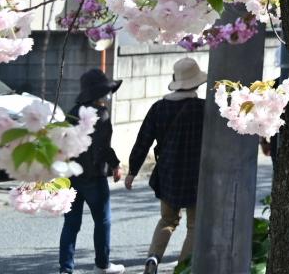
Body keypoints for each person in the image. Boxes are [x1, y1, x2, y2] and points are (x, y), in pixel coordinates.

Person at [127, 58, 207, 274]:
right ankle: (182, 268)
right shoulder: (204, 109)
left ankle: (153, 258)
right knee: (194, 226)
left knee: (167, 219)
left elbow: (143, 139)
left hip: (168, 172)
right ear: (197, 84)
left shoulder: (159, 108)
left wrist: (132, 171)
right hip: (196, 175)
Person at [60, 68, 126, 274]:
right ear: (99, 93)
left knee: (71, 224)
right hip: (94, 177)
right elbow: (102, 147)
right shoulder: (102, 115)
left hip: (71, 176)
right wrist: (115, 164)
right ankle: (102, 265)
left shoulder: (72, 112)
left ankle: (66, 269)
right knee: (103, 221)